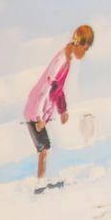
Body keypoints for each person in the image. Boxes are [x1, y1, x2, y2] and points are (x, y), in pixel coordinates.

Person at [23, 25, 95, 182]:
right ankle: (40, 183)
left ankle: (41, 181)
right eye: (85, 49)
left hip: (40, 111)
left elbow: (57, 89)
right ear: (79, 44)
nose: (85, 53)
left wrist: (62, 110)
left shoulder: (67, 60)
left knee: (45, 148)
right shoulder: (61, 60)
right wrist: (39, 117)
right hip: (35, 109)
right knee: (43, 149)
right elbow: (46, 87)